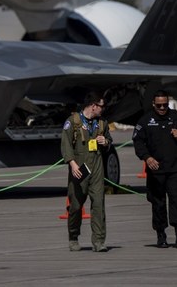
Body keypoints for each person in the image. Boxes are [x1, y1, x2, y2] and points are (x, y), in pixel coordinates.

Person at [133, 90, 177, 248]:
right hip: (156, 171)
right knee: (158, 203)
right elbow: (138, 142)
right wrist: (147, 157)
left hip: (176, 168)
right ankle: (161, 234)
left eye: (165, 105)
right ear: (154, 104)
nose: (162, 108)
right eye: (159, 105)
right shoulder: (146, 120)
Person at [60, 91, 113, 252]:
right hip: (79, 168)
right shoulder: (73, 122)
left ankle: (98, 241)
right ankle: (73, 236)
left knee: (98, 204)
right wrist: (72, 164)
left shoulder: (102, 123)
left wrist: (106, 142)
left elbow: (109, 142)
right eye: (101, 106)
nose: (103, 109)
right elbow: (66, 144)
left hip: (96, 166)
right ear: (93, 106)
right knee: (76, 205)